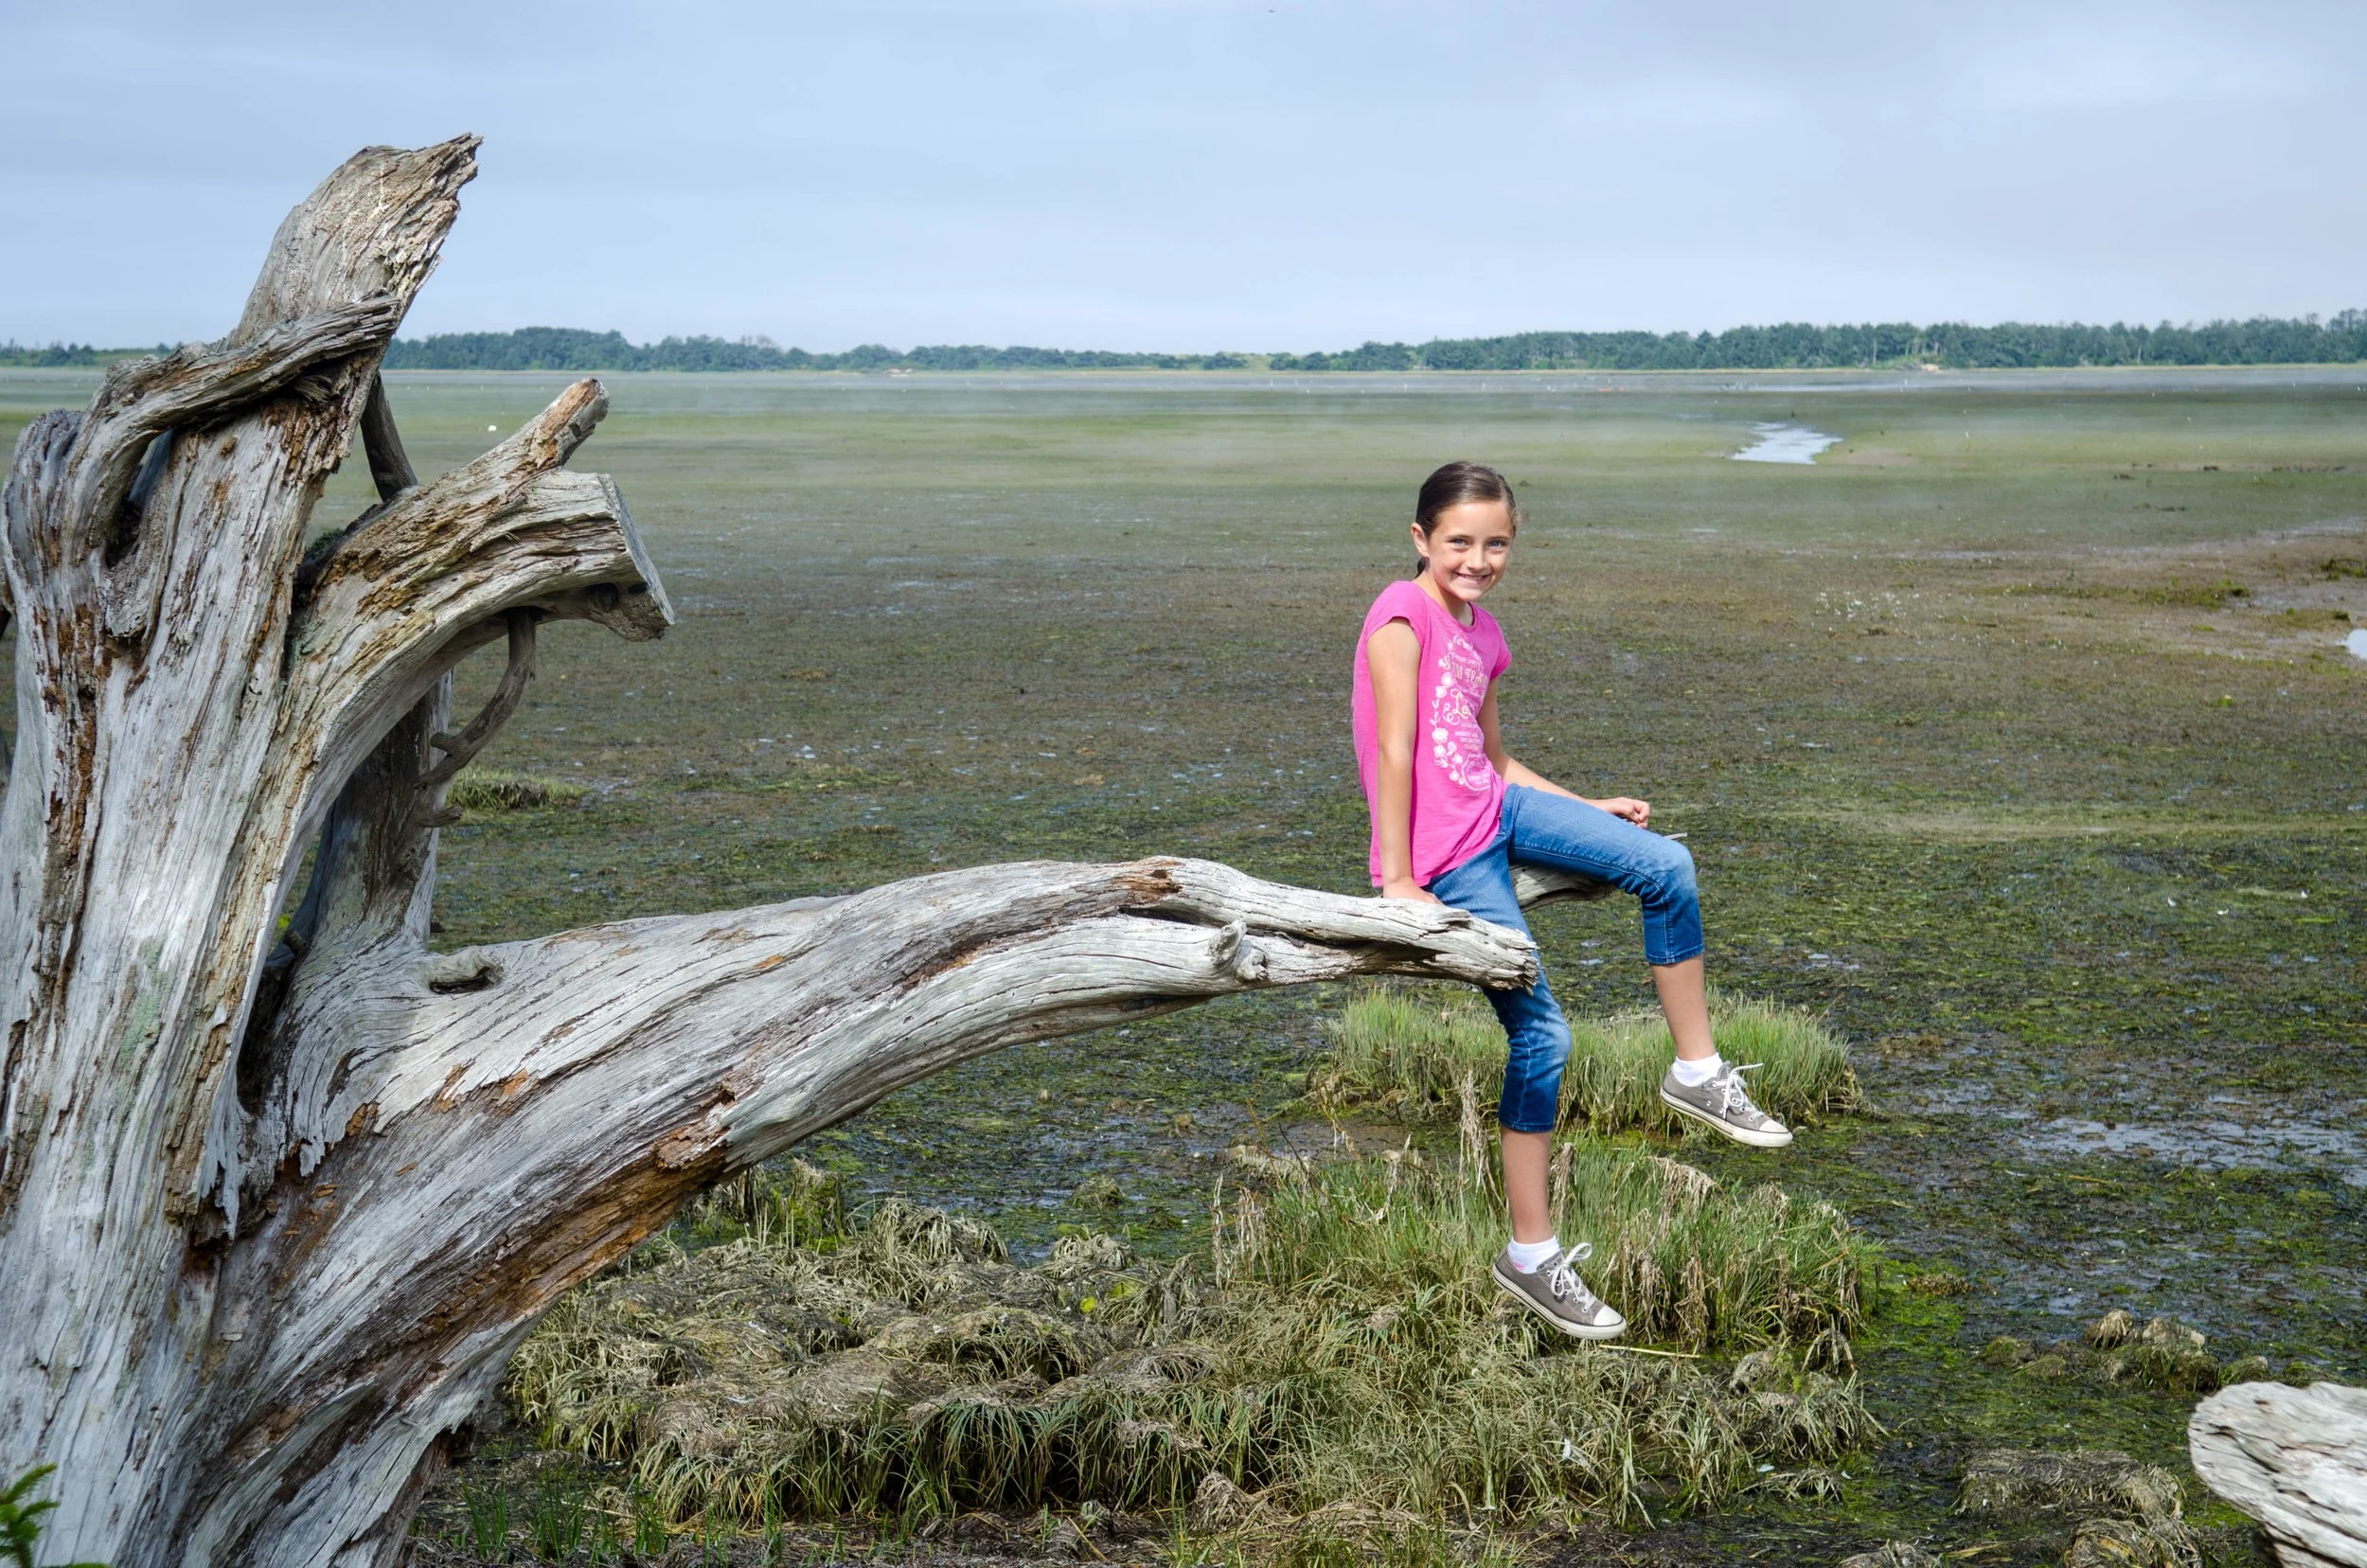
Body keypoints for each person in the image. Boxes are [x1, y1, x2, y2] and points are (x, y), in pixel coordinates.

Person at [1350, 461, 1791, 1341]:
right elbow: (1396, 753)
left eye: (1496, 543)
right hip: (1446, 850)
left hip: (1500, 807)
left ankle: (1696, 1072)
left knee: (1666, 865)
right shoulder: (1401, 617)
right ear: (1420, 539)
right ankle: (1530, 1255)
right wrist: (1399, 879)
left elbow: (1495, 761)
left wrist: (1580, 810)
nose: (1478, 559)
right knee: (1545, 1033)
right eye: (1459, 542)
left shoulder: (1485, 634)